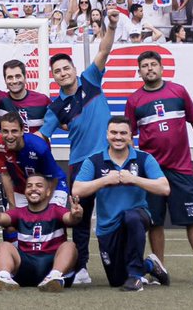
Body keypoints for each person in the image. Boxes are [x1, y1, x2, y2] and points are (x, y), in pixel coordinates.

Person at [123, 50, 193, 286]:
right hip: (152, 173)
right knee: (155, 221)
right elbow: (128, 136)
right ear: (139, 72)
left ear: (161, 67)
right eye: (144, 66)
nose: (149, 68)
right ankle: (160, 269)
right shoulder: (134, 100)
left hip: (181, 169)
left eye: (153, 64)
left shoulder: (178, 91)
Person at [40, 7, 119, 284]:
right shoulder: (56, 106)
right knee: (80, 219)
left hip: (110, 161)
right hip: (79, 166)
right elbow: (41, 138)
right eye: (57, 71)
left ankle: (118, 266)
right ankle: (82, 267)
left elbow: (104, 50)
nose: (62, 73)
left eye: (65, 68)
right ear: (54, 77)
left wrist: (111, 26)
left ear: (74, 69)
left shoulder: (90, 79)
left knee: (115, 216)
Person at [72, 116, 171, 292]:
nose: (118, 137)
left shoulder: (143, 158)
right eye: (114, 133)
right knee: (116, 280)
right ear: (107, 134)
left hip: (138, 217)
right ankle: (149, 265)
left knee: (131, 217)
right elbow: (77, 190)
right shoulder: (94, 160)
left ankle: (135, 276)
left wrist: (133, 179)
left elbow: (164, 188)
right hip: (107, 227)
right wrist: (104, 180)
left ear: (131, 135)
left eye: (123, 133)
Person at [0, 173, 84, 292]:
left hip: (52, 264)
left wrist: (75, 215)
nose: (33, 189)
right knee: (3, 246)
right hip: (26, 266)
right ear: (24, 191)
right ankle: (4, 277)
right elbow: (1, 217)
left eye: (39, 186)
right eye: (29, 186)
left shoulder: (56, 210)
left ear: (48, 192)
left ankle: (54, 277)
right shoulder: (19, 212)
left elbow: (70, 219)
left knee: (70, 246)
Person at [0, 24, 50, 131]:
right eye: (10, 77)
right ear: (5, 81)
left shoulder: (42, 100)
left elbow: (62, 123)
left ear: (25, 78)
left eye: (18, 76)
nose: (14, 81)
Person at [0, 112, 69, 208]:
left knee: (48, 218)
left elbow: (52, 178)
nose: (9, 136)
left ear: (22, 131)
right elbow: (5, 175)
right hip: (22, 188)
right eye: (5, 131)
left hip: (52, 186)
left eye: (14, 131)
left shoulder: (39, 147)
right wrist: (12, 206)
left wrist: (43, 205)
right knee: (15, 219)